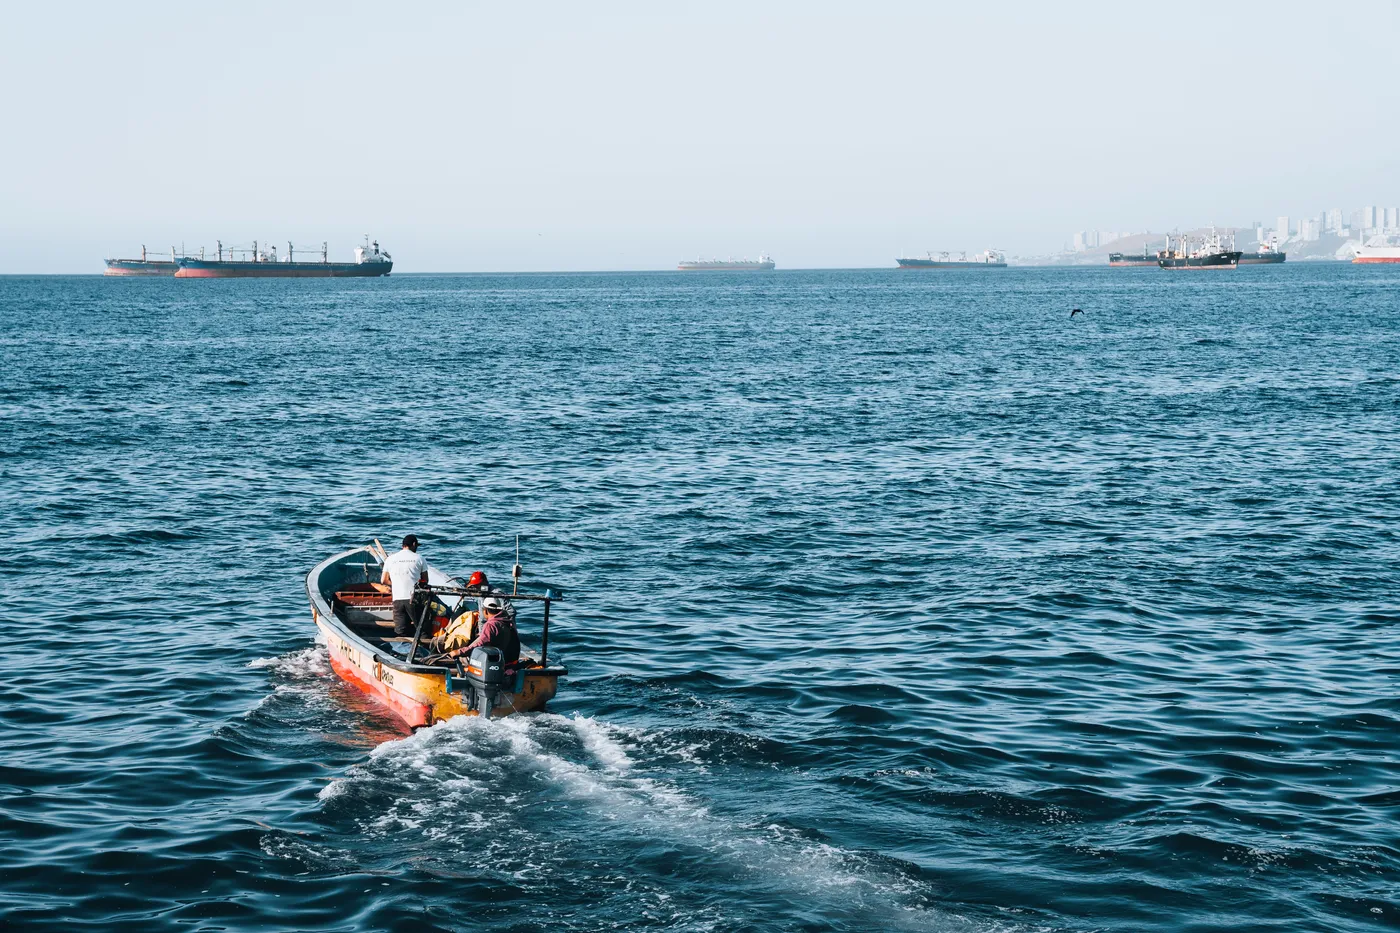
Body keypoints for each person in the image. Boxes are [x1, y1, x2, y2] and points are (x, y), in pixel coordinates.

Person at [449, 595, 520, 666]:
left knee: (462, 658)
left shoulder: (490, 625)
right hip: (506, 660)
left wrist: (459, 652)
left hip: (493, 662)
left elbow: (481, 644)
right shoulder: (507, 622)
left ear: (485, 611)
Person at [380, 534, 429, 637]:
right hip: (413, 599)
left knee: (400, 631)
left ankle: (401, 650)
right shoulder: (419, 558)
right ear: (414, 544)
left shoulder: (390, 559)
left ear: (403, 545)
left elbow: (384, 580)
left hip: (397, 599)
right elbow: (425, 581)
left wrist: (397, 583)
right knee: (422, 629)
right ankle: (424, 650)